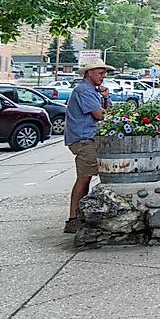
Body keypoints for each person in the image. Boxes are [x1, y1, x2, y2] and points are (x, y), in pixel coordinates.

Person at [64, 61, 112, 233]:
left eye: (104, 73)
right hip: (84, 139)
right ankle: (73, 218)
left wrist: (106, 98)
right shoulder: (84, 90)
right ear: (89, 73)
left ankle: (78, 215)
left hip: (86, 137)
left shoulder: (92, 91)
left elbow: (104, 110)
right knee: (84, 177)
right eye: (100, 73)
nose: (103, 76)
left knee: (87, 176)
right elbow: (99, 114)